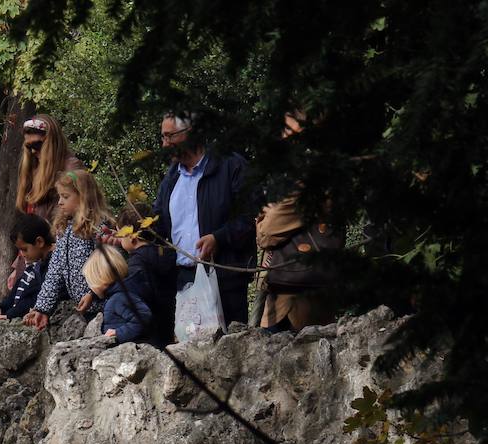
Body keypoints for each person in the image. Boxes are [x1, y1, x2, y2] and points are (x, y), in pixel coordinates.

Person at [152, 113, 257, 326]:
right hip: (185, 282)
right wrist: (132, 231)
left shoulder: (231, 166)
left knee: (230, 352)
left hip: (225, 279)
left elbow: (249, 217)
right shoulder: (171, 178)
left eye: (169, 136)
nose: (165, 144)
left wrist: (218, 238)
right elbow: (159, 225)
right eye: (163, 137)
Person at [256, 112, 343, 331]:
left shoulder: (311, 174)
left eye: (291, 132)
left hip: (298, 297)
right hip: (291, 287)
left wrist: (264, 218)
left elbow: (267, 232)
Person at [25, 168, 113, 332]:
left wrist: (93, 293)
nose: (59, 202)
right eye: (60, 196)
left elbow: (109, 266)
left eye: (65, 197)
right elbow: (55, 271)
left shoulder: (98, 227)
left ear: (83, 197)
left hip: (104, 307)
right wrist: (42, 308)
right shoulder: (63, 230)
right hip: (82, 309)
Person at [7, 115, 85, 290]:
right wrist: (18, 265)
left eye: (37, 145)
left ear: (51, 141)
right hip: (34, 255)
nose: (33, 151)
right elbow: (31, 223)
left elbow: (82, 216)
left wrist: (59, 246)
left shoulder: (71, 168)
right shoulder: (34, 170)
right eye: (29, 146)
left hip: (57, 258)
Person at [116, 200, 176, 345]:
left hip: (150, 329)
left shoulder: (137, 263)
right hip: (170, 320)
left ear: (132, 236)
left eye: (121, 234)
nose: (118, 239)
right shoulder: (165, 253)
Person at [83, 246, 151, 343]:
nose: (91, 288)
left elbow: (144, 317)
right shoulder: (117, 295)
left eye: (91, 283)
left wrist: (118, 333)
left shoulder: (119, 298)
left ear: (101, 280)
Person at [0, 213, 55, 321]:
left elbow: (33, 299)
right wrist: (1, 308)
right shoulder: (34, 267)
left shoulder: (51, 267)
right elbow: (15, 293)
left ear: (39, 242)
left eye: (24, 249)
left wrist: (9, 315)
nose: (22, 254)